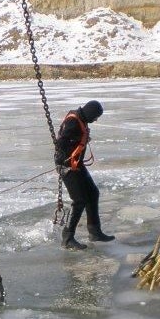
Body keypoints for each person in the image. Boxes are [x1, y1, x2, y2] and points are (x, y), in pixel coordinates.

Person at [54, 100, 115, 250]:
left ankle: (95, 231)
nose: (95, 120)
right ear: (90, 113)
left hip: (77, 165)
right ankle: (67, 238)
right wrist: (74, 145)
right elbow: (60, 143)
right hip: (67, 166)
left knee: (93, 193)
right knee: (79, 200)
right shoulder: (73, 122)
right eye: (95, 117)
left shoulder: (80, 118)